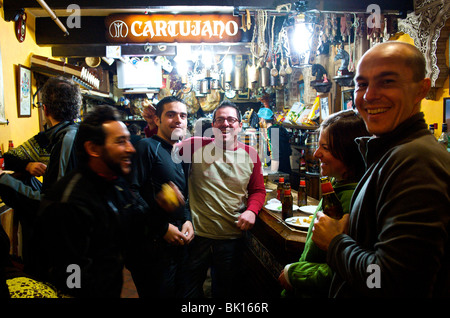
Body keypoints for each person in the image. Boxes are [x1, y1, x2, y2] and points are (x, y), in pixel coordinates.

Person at [312, 41, 450, 297]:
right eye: (362, 84)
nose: (369, 95)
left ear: (422, 89)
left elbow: (391, 281)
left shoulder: (416, 160)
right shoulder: (391, 153)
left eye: (387, 82)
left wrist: (335, 243)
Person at [28, 105, 146, 298]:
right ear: (93, 149)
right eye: (120, 141)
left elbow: (131, 228)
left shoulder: (115, 182)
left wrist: (160, 211)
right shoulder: (69, 203)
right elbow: (69, 278)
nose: (131, 148)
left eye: (128, 140)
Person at [176, 100, 266, 298]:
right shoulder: (194, 146)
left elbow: (258, 190)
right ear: (213, 125)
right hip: (196, 236)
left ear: (240, 126)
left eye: (231, 119)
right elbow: (165, 147)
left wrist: (252, 210)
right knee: (188, 291)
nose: (226, 124)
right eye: (220, 120)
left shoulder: (251, 154)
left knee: (225, 292)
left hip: (231, 237)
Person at [277, 110, 370, 297]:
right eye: (318, 146)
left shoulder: (352, 200)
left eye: (325, 148)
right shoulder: (336, 185)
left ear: (348, 153)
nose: (317, 153)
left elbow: (360, 273)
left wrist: (294, 274)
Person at [0, 76, 81, 266]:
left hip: (67, 237)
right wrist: (27, 166)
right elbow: (10, 158)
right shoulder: (69, 133)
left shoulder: (66, 140)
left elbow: (55, 203)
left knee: (69, 285)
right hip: (78, 230)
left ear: (45, 109)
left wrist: (4, 180)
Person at [130, 96, 194, 298]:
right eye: (171, 114)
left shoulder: (178, 152)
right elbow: (130, 194)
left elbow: (182, 195)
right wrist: (161, 227)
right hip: (152, 247)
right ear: (157, 120)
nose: (178, 120)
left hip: (177, 245)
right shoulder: (146, 147)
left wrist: (187, 220)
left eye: (183, 115)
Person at [258, 107, 291, 174]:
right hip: (285, 169)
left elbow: (275, 154)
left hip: (279, 171)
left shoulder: (271, 132)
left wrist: (273, 173)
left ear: (262, 119)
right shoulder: (279, 129)